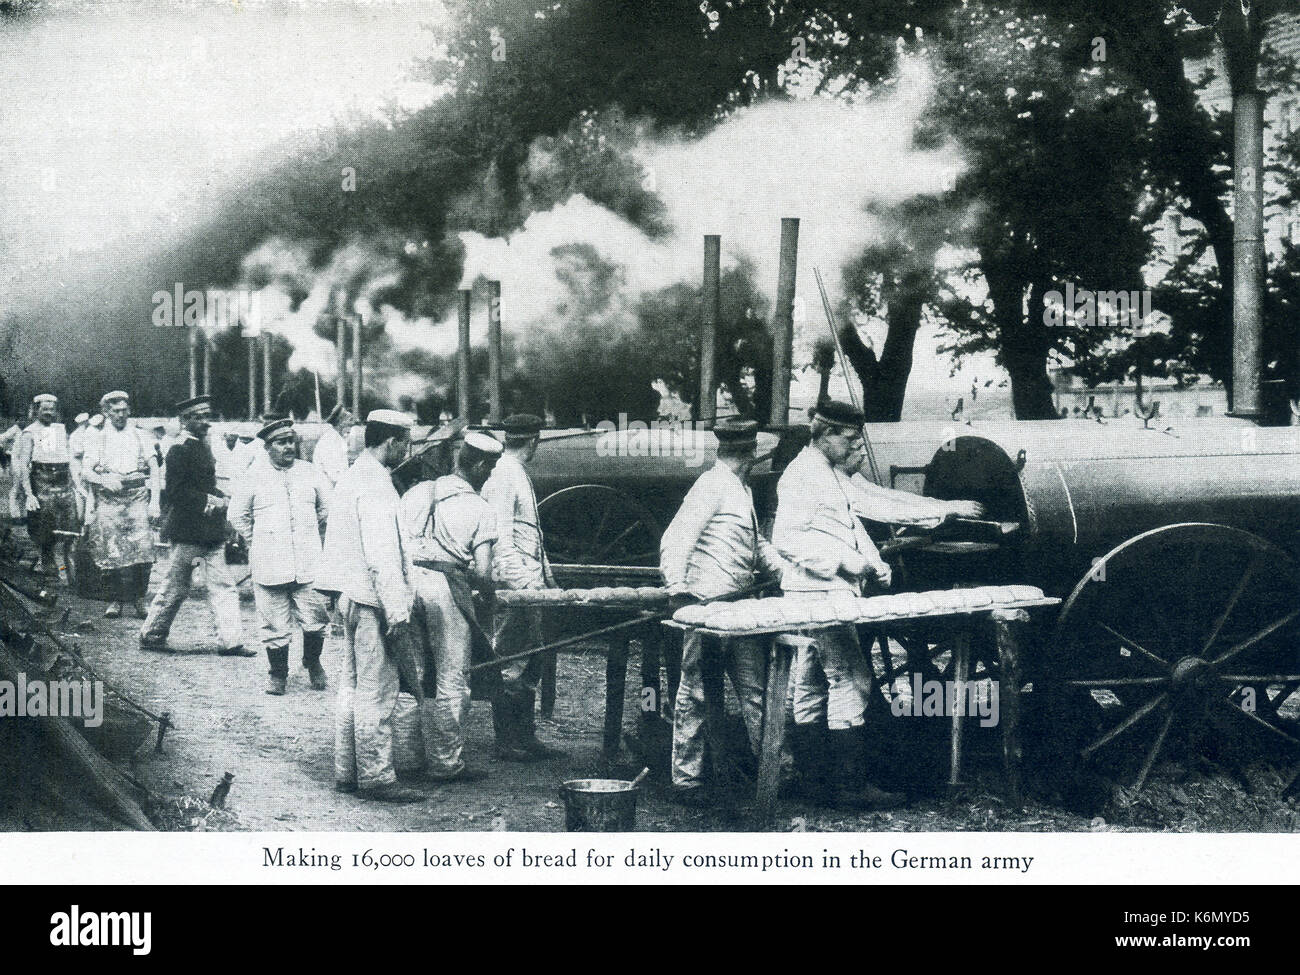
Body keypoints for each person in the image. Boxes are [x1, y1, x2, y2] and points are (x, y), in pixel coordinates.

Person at [772, 399, 903, 810]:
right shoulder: (801, 476)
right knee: (852, 680)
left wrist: (875, 562)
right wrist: (850, 563)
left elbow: (844, 524)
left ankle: (812, 781)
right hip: (818, 594)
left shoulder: (823, 471)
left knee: (810, 683)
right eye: (848, 440)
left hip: (819, 593)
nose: (853, 448)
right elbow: (787, 539)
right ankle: (849, 786)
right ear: (825, 434)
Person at [660, 419, 789, 805]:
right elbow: (676, 539)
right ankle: (686, 779)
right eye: (753, 456)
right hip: (707, 607)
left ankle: (773, 771)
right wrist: (677, 589)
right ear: (748, 455)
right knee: (696, 692)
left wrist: (783, 570)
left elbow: (755, 541)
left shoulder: (740, 488)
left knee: (755, 690)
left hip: (740, 609)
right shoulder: (711, 486)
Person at [318, 409, 423, 802]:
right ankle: (378, 778)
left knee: (351, 687)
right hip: (372, 600)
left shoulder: (352, 476)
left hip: (349, 595)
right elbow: (382, 556)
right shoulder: (377, 485)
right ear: (392, 441)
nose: (408, 450)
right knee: (377, 692)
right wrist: (397, 612)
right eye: (406, 442)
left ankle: (348, 770)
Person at [399, 431, 501, 779]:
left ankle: (407, 759)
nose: (490, 476)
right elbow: (484, 573)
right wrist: (486, 595)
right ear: (480, 465)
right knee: (452, 677)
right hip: (445, 588)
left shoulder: (418, 492)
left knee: (408, 675)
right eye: (490, 468)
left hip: (406, 583)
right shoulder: (480, 509)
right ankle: (446, 763)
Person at [138, 396, 252, 657]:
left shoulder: (202, 446)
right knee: (176, 586)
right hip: (187, 531)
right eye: (197, 417)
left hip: (210, 531)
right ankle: (152, 635)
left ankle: (230, 641)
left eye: (206, 416)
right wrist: (210, 499)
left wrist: (221, 495)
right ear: (185, 420)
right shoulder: (178, 449)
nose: (204, 422)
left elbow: (204, 484)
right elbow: (176, 493)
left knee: (223, 585)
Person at [481, 414, 565, 761]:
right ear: (534, 441)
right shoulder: (503, 475)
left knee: (530, 661)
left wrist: (547, 577)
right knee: (510, 662)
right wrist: (526, 586)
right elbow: (498, 540)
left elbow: (531, 535)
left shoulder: (515, 473)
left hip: (530, 583)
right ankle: (506, 741)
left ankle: (525, 736)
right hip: (516, 586)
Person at [229, 418, 331, 695]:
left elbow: (326, 507)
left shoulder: (311, 472)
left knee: (315, 619)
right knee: (274, 624)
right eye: (281, 442)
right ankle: (278, 675)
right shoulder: (253, 476)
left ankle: (313, 662)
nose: (288, 447)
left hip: (308, 562)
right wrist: (258, 541)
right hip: (269, 564)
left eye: (291, 441)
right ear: (267, 447)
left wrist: (308, 532)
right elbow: (237, 515)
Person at [81, 392, 160, 619]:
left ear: (129, 411)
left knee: (141, 549)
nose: (120, 415)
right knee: (111, 548)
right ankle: (115, 600)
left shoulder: (140, 435)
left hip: (136, 495)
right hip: (109, 497)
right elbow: (86, 470)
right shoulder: (97, 436)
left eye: (124, 410)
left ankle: (138, 599)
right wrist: (103, 479)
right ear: (106, 412)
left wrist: (155, 502)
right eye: (115, 411)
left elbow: (154, 468)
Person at [15, 394, 79, 579]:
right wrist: (29, 494)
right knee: (45, 531)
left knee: (70, 528)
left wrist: (76, 484)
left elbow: (69, 458)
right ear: (36, 411)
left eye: (52, 409)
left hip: (64, 482)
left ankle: (71, 574)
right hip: (41, 481)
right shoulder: (29, 432)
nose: (49, 413)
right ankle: (49, 572)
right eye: (45, 409)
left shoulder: (60, 429)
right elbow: (23, 465)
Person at [312, 404, 354, 490]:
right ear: (340, 422)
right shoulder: (329, 441)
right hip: (328, 490)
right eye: (349, 422)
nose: (351, 426)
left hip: (335, 487)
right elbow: (335, 476)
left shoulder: (336, 437)